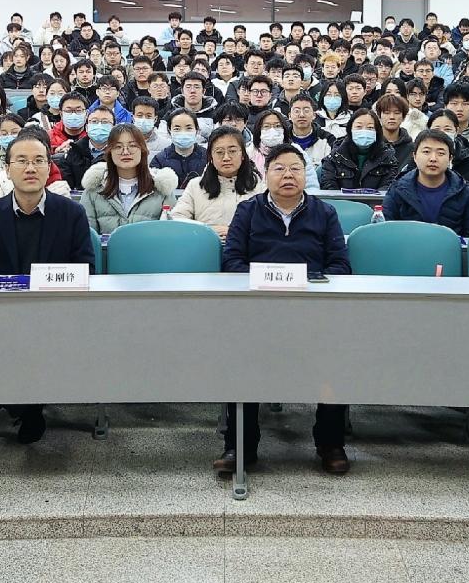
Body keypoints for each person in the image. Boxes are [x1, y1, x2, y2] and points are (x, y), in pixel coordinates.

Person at [219, 144, 353, 475]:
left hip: (313, 309)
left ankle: (330, 443)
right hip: (258, 309)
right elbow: (232, 262)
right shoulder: (248, 211)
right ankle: (240, 446)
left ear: (306, 175)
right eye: (279, 168)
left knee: (336, 358)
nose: (288, 175)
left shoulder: (324, 212)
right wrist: (264, 283)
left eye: (295, 168)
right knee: (239, 358)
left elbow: (340, 265)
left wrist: (308, 285)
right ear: (265, 175)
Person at [0, 129, 98, 443]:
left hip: (55, 312)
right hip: (1, 314)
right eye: (21, 161)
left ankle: (24, 405)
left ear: (49, 167)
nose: (30, 168)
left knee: (36, 339)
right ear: (7, 169)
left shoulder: (72, 213)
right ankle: (24, 406)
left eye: (38, 160)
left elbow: (86, 270)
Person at [82, 124, 179, 235]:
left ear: (142, 150)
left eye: (132, 145)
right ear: (110, 152)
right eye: (118, 147)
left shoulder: (162, 189)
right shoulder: (93, 191)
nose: (125, 152)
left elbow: (171, 234)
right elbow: (87, 236)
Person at [379, 129, 469, 237]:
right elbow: (387, 232)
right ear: (415, 156)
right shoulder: (398, 189)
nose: (433, 159)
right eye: (426, 152)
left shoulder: (466, 192)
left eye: (440, 153)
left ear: (450, 158)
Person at [170, 126, 263, 238]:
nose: (226, 158)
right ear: (211, 157)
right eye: (219, 152)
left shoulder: (259, 186)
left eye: (232, 151)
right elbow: (177, 218)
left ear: (243, 154)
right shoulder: (196, 186)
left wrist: (235, 231)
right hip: (205, 245)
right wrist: (207, 230)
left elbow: (268, 224)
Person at [317, 108, 403, 191]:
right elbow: (329, 189)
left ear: (377, 131)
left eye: (370, 128)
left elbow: (388, 189)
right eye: (358, 127)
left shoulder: (388, 159)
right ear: (350, 130)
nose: (364, 131)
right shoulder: (334, 158)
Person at [151, 109, 208, 187]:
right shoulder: (159, 160)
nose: (183, 133)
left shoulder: (208, 157)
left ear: (197, 130)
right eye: (177, 129)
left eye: (188, 128)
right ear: (169, 131)